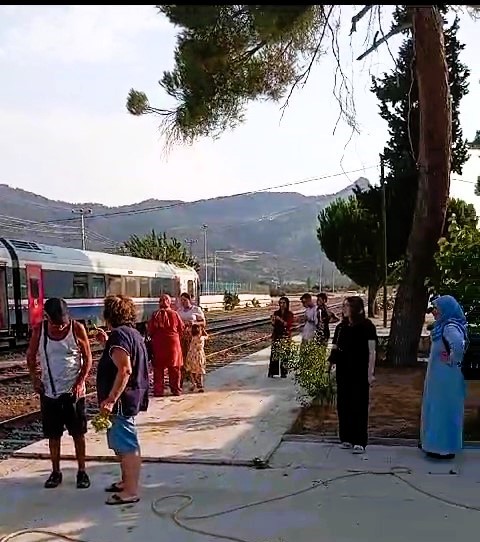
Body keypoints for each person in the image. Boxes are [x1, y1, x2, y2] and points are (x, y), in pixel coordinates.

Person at [26, 297, 93, 489]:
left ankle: (82, 471)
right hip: (50, 392)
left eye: (63, 324)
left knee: (78, 434)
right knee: (53, 436)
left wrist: (80, 382)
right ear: (47, 318)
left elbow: (88, 359)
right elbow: (30, 356)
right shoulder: (40, 331)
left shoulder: (76, 329)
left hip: (74, 392)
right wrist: (35, 378)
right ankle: (55, 472)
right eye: (56, 325)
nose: (60, 328)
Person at [96, 295, 149, 505]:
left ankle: (131, 490)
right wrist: (106, 343)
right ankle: (126, 481)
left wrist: (110, 399)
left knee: (127, 446)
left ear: (109, 315)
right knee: (122, 444)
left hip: (121, 401)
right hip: (130, 396)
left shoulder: (119, 336)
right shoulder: (131, 334)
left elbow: (125, 369)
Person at [421, 295, 467, 460]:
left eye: (437, 309)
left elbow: (458, 345)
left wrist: (451, 359)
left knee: (443, 409)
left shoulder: (450, 327)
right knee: (436, 409)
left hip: (446, 378)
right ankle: (434, 444)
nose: (434, 312)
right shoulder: (443, 326)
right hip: (440, 376)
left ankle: (442, 447)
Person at [329, 296, 377, 454]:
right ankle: (346, 438)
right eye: (343, 306)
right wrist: (328, 367)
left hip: (360, 371)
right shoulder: (340, 327)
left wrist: (370, 373)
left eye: (346, 306)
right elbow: (334, 349)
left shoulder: (367, 326)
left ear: (355, 308)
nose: (343, 309)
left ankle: (360, 440)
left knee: (359, 405)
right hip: (343, 371)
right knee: (343, 404)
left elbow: (372, 351)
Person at [147, 294, 185, 396]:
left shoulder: (155, 315)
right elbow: (181, 328)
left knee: (158, 368)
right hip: (173, 343)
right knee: (174, 368)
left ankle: (158, 391)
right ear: (169, 302)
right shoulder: (175, 314)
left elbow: (150, 330)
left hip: (158, 343)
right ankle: (176, 389)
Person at [177, 292, 206, 387]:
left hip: (194, 338)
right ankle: (183, 379)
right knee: (184, 358)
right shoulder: (179, 311)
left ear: (189, 300)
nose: (183, 302)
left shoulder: (196, 310)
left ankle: (198, 381)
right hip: (182, 337)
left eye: (185, 300)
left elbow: (203, 323)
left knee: (196, 359)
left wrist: (194, 323)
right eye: (181, 301)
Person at [268, 296, 294, 378]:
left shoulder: (289, 314)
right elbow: (274, 325)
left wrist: (280, 319)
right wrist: (272, 321)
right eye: (280, 303)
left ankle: (284, 372)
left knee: (284, 354)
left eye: (283, 303)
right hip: (277, 334)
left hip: (285, 335)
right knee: (274, 354)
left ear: (287, 304)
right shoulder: (276, 313)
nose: (282, 305)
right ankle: (273, 372)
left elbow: (288, 324)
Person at [184, 323, 208, 392]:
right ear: (200, 331)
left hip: (191, 355)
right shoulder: (201, 338)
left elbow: (186, 334)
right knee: (200, 371)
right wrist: (203, 330)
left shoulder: (191, 338)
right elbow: (207, 336)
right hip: (199, 356)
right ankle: (200, 385)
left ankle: (194, 384)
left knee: (192, 371)